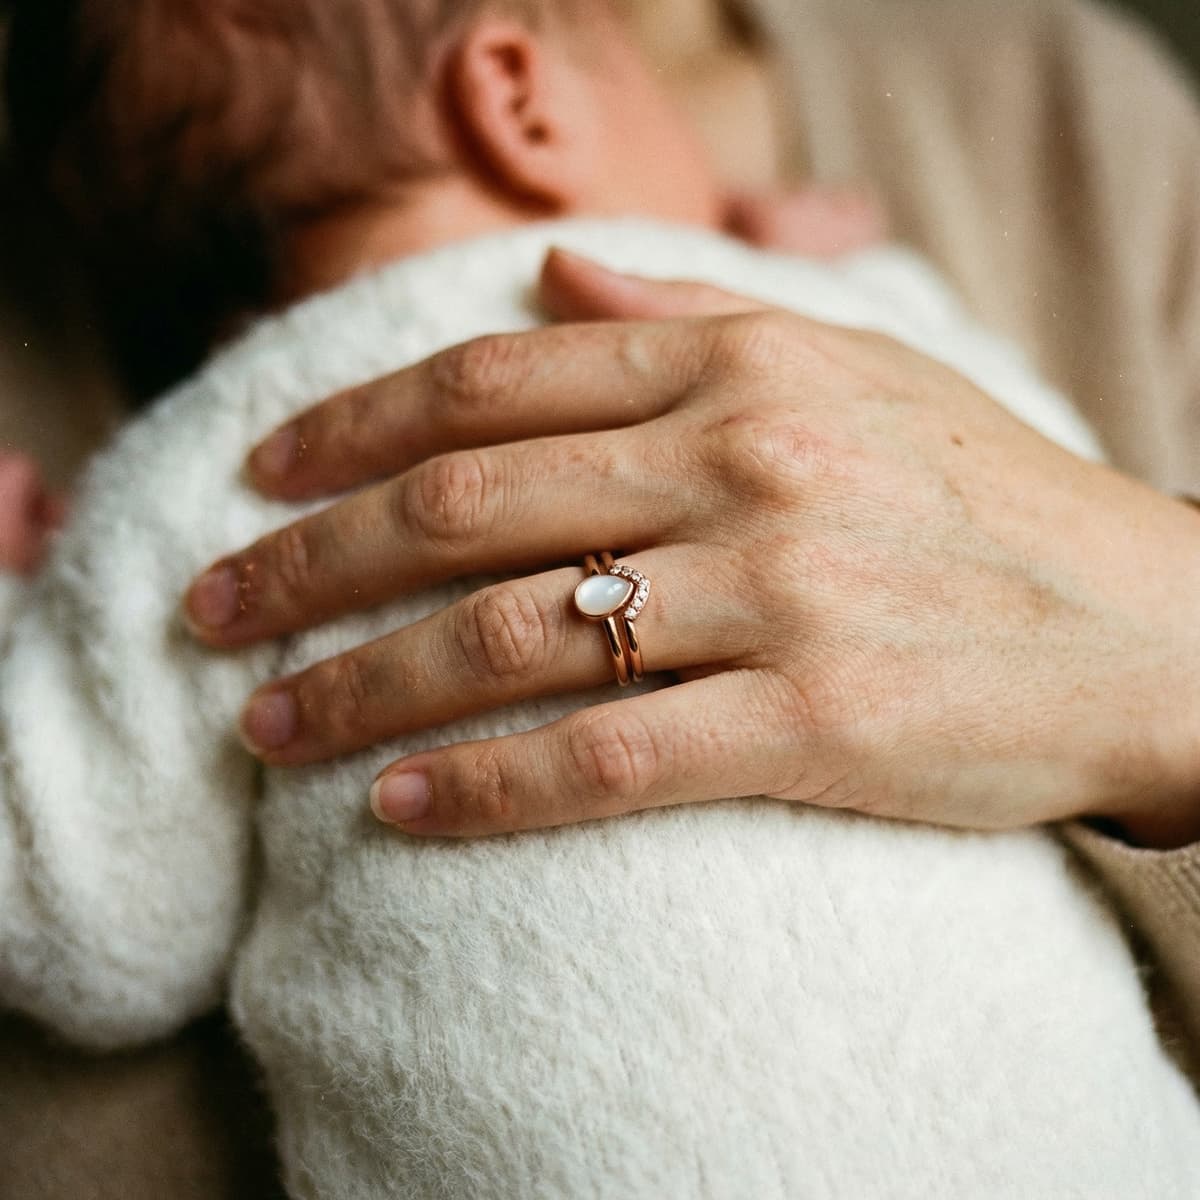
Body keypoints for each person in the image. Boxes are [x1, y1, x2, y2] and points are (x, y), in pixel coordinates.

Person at [1, 0, 1198, 1197]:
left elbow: (86, 923)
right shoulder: (833, 343)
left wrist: (25, 613)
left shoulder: (220, 469)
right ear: (516, 98)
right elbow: (1047, 485)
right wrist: (870, 287)